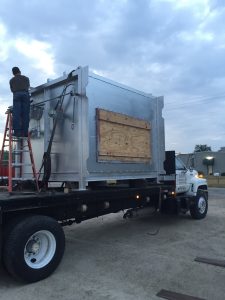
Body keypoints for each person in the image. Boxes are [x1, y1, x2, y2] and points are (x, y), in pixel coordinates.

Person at [9, 67, 30, 137]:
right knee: (25, 114)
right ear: (20, 71)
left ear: (13, 73)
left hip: (16, 95)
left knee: (17, 114)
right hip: (25, 94)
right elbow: (28, 87)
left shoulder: (11, 80)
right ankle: (25, 133)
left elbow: (12, 90)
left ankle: (17, 132)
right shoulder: (26, 78)